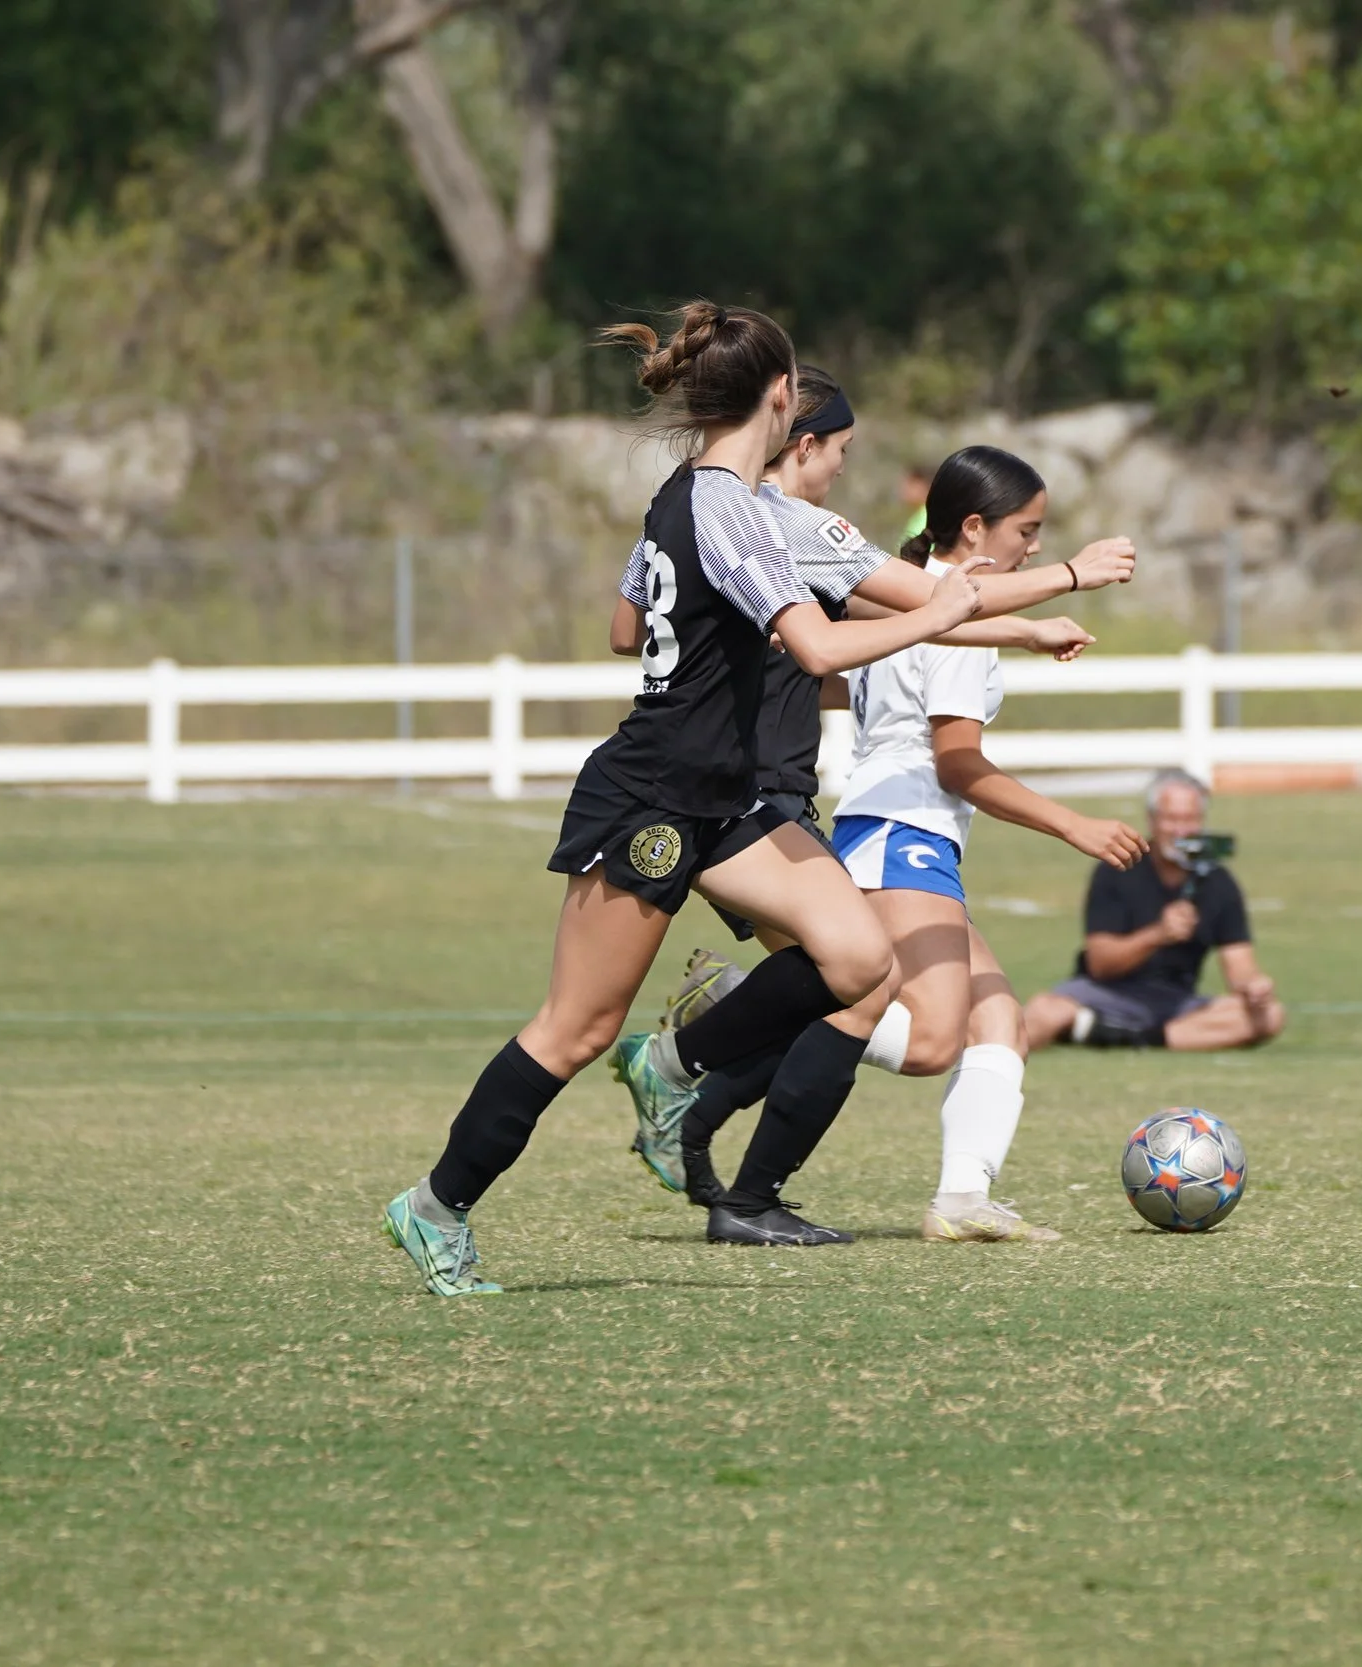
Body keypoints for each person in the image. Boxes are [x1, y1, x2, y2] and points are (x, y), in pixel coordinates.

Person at [379, 301, 990, 1293]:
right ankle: (436, 1205)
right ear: (782, 398)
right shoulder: (721, 504)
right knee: (573, 1028)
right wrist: (943, 611)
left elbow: (634, 627)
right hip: (653, 797)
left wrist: (1026, 595)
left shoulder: (717, 496)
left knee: (856, 955)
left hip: (726, 795)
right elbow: (820, 646)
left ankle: (670, 1064)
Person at [606, 368, 1138, 1191]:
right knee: (876, 1012)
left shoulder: (696, 512)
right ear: (801, 441)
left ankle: (958, 1197)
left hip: (780, 796)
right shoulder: (783, 527)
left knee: (974, 1015)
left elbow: (631, 630)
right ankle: (722, 1068)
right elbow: (940, 685)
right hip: (807, 806)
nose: (845, 470)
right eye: (841, 451)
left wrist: (1026, 627)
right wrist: (1068, 578)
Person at [1022, 769, 1285, 1053]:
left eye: (1190, 820)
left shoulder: (1217, 881)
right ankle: (986, 1065)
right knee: (1042, 1012)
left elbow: (1239, 966)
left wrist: (1254, 986)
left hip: (1176, 1003)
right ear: (1153, 820)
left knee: (1270, 1016)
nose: (1181, 830)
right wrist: (1158, 935)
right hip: (1105, 993)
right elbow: (1100, 962)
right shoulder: (1118, 867)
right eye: (1171, 819)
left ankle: (1132, 1037)